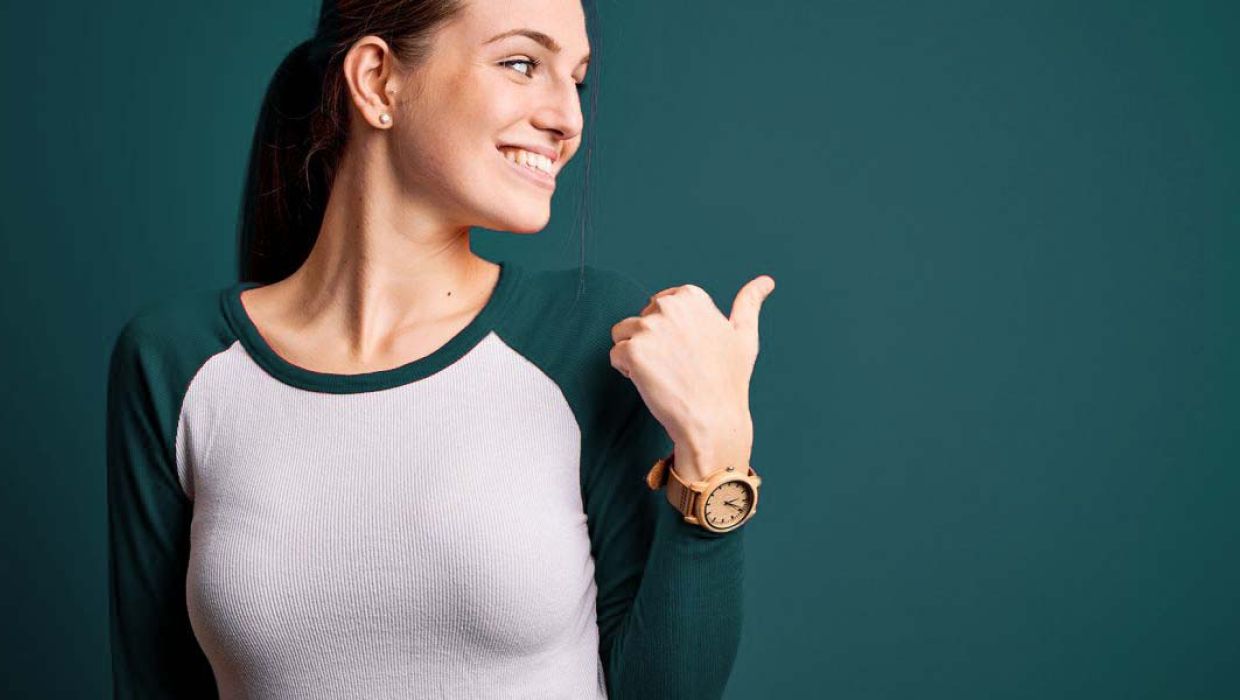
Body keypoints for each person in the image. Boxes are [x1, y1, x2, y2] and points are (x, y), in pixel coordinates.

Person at [106, 0, 774, 697]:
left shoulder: (586, 335)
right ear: (378, 80)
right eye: (522, 63)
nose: (568, 118)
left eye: (576, 79)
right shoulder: (178, 364)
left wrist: (718, 453)